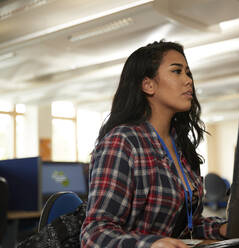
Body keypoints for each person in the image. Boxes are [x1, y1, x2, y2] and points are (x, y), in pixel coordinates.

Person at [80, 40, 227, 248]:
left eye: (188, 72)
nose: (188, 81)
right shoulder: (122, 143)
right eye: (177, 71)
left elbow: (187, 227)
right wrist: (150, 245)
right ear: (148, 85)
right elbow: (94, 234)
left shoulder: (182, 147)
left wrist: (222, 229)